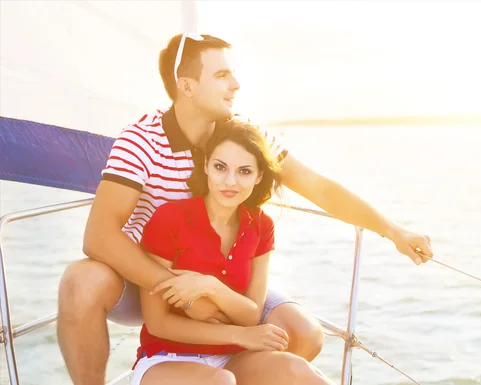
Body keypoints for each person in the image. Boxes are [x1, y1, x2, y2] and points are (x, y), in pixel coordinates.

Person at [57, 33, 433, 385]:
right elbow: (99, 236)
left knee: (303, 335)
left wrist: (393, 230)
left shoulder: (242, 137)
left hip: (219, 280)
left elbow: (320, 188)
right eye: (222, 75)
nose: (236, 85)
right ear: (187, 86)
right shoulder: (140, 140)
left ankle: (222, 372)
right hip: (146, 276)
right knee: (82, 282)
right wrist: (185, 294)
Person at [130, 118, 334, 385]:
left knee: (301, 373)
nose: (230, 182)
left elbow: (251, 314)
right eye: (220, 167)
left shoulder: (262, 225)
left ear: (259, 175)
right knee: (221, 382)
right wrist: (239, 335)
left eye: (244, 171)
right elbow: (158, 323)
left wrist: (211, 287)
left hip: (232, 357)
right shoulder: (170, 219)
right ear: (206, 167)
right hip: (167, 358)